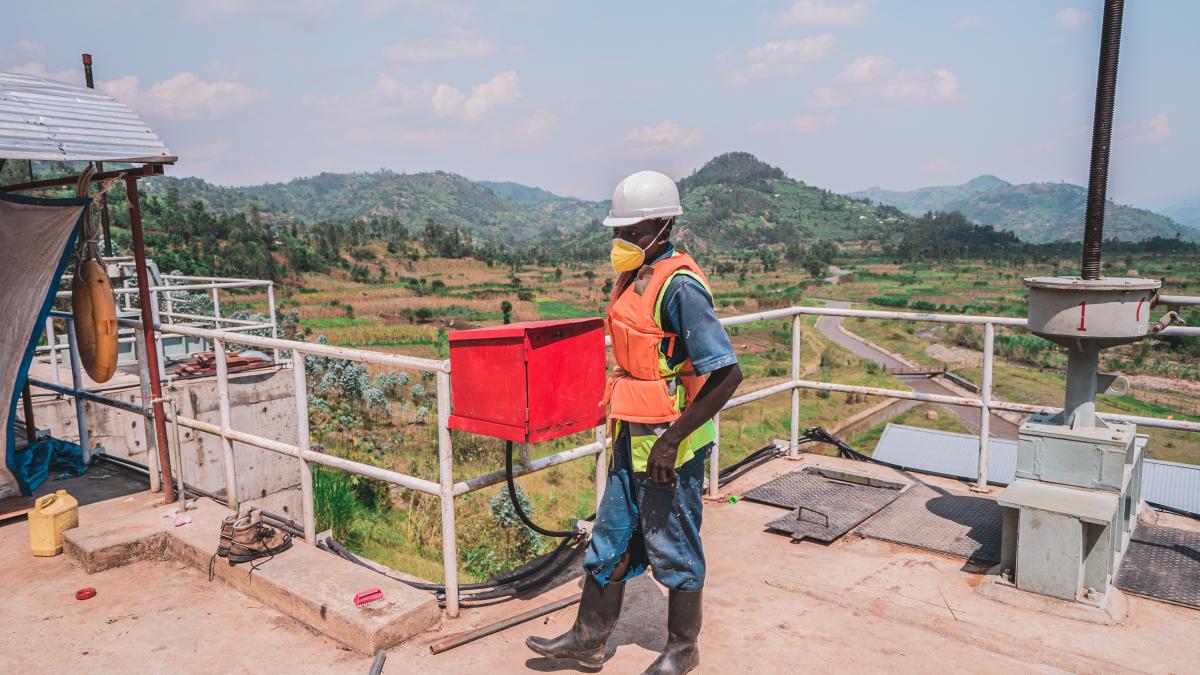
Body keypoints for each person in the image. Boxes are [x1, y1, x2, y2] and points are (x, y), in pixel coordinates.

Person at [526, 171, 743, 674]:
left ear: (663, 226)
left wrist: (671, 443)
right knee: (611, 536)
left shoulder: (681, 287)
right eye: (617, 232)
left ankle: (683, 650)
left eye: (631, 232)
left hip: (671, 445)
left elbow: (727, 374)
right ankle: (587, 639)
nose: (620, 242)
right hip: (632, 435)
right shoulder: (639, 274)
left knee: (675, 546)